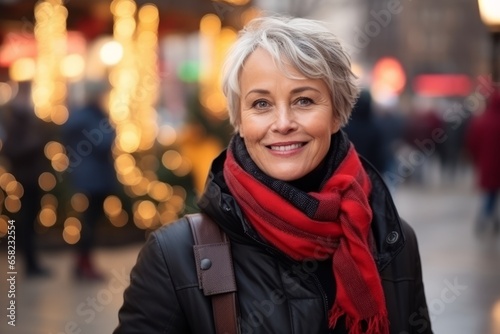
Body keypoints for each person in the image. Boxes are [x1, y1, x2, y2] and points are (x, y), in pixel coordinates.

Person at [114, 16, 432, 333]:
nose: (282, 123)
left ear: (337, 114)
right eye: (262, 103)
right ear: (239, 118)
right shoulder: (174, 256)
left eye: (304, 100)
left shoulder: (392, 241)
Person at [61, 81, 118, 280]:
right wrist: (112, 128)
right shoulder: (93, 117)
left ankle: (82, 262)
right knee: (90, 222)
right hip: (95, 177)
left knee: (88, 221)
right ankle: (84, 263)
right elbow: (103, 143)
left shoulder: (77, 116)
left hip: (84, 175)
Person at [1, 81, 53, 278]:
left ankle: (33, 261)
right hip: (23, 177)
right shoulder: (14, 119)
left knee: (31, 219)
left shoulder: (30, 118)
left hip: (32, 175)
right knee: (24, 219)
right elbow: (10, 149)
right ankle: (28, 262)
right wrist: (34, 145)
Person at [466, 88, 500, 233]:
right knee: (492, 195)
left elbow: (472, 143)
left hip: (486, 165)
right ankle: (487, 219)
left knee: (489, 194)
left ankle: (485, 219)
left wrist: (476, 160)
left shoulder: (481, 121)